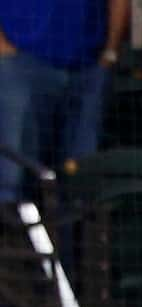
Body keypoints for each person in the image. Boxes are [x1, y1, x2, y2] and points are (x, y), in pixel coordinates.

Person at [0, 1, 122, 202]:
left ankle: (72, 233)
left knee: (82, 176)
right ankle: (19, 232)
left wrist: (110, 52)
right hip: (21, 63)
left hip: (88, 66)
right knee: (16, 176)